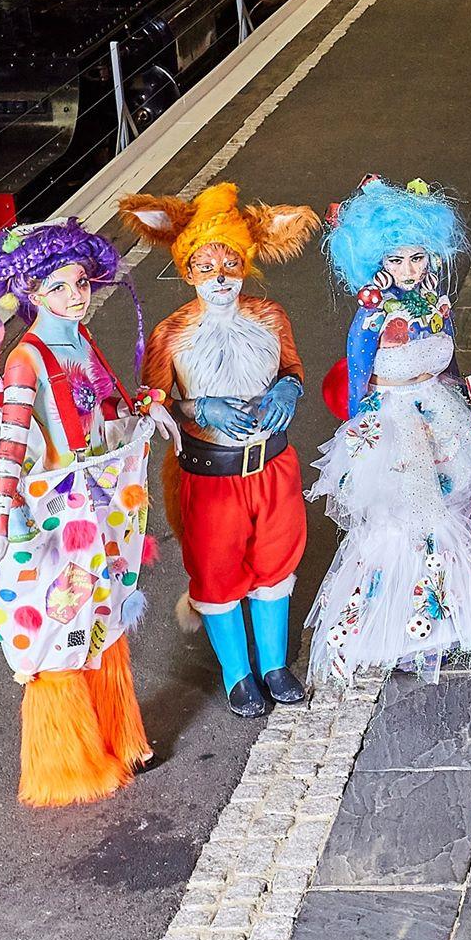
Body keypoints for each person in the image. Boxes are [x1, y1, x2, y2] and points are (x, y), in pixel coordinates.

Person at [0, 220, 179, 806]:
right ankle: (67, 766)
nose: (77, 297)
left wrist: (144, 412)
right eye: (59, 288)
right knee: (54, 623)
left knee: (104, 613)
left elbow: (107, 404)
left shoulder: (80, 339)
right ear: (31, 295)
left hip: (95, 502)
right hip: (47, 514)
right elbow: (12, 445)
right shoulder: (27, 358)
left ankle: (119, 738)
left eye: (81, 284)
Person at [306, 178, 471, 683]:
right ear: (378, 261)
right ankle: (397, 625)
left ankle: (454, 612)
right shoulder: (372, 316)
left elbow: (450, 365)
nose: (409, 269)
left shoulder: (436, 304)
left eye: (417, 258)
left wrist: (462, 403)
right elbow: (357, 377)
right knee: (405, 515)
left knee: (455, 505)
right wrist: (365, 432)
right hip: (394, 418)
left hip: (439, 411)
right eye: (397, 260)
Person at [120, 183, 323, 718]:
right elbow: (151, 399)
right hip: (210, 475)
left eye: (229, 262)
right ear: (186, 270)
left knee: (276, 563)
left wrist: (289, 388)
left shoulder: (272, 316)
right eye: (205, 264)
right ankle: (238, 674)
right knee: (217, 570)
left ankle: (275, 666)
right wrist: (196, 409)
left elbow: (293, 368)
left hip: (273, 465)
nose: (219, 275)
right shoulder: (170, 335)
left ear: (246, 263)